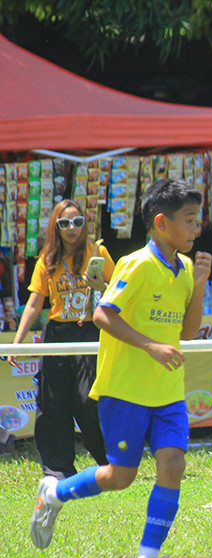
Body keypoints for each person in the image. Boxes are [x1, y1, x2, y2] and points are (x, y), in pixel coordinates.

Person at [28, 178, 212, 558]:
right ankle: (54, 492)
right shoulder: (135, 264)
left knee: (173, 464)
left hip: (167, 392)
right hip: (125, 390)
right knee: (119, 476)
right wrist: (151, 347)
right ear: (161, 222)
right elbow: (103, 314)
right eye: (190, 220)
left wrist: (197, 287)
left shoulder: (183, 269)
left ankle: (147, 557)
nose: (197, 228)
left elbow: (188, 332)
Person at [11, 199, 115, 480]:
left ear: (85, 225)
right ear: (55, 226)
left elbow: (119, 292)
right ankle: (58, 469)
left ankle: (111, 461)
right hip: (57, 333)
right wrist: (18, 341)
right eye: (65, 223)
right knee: (52, 402)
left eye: (78, 222)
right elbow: (35, 302)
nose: (72, 228)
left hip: (89, 331)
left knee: (88, 398)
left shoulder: (98, 252)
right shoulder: (47, 258)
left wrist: (101, 287)